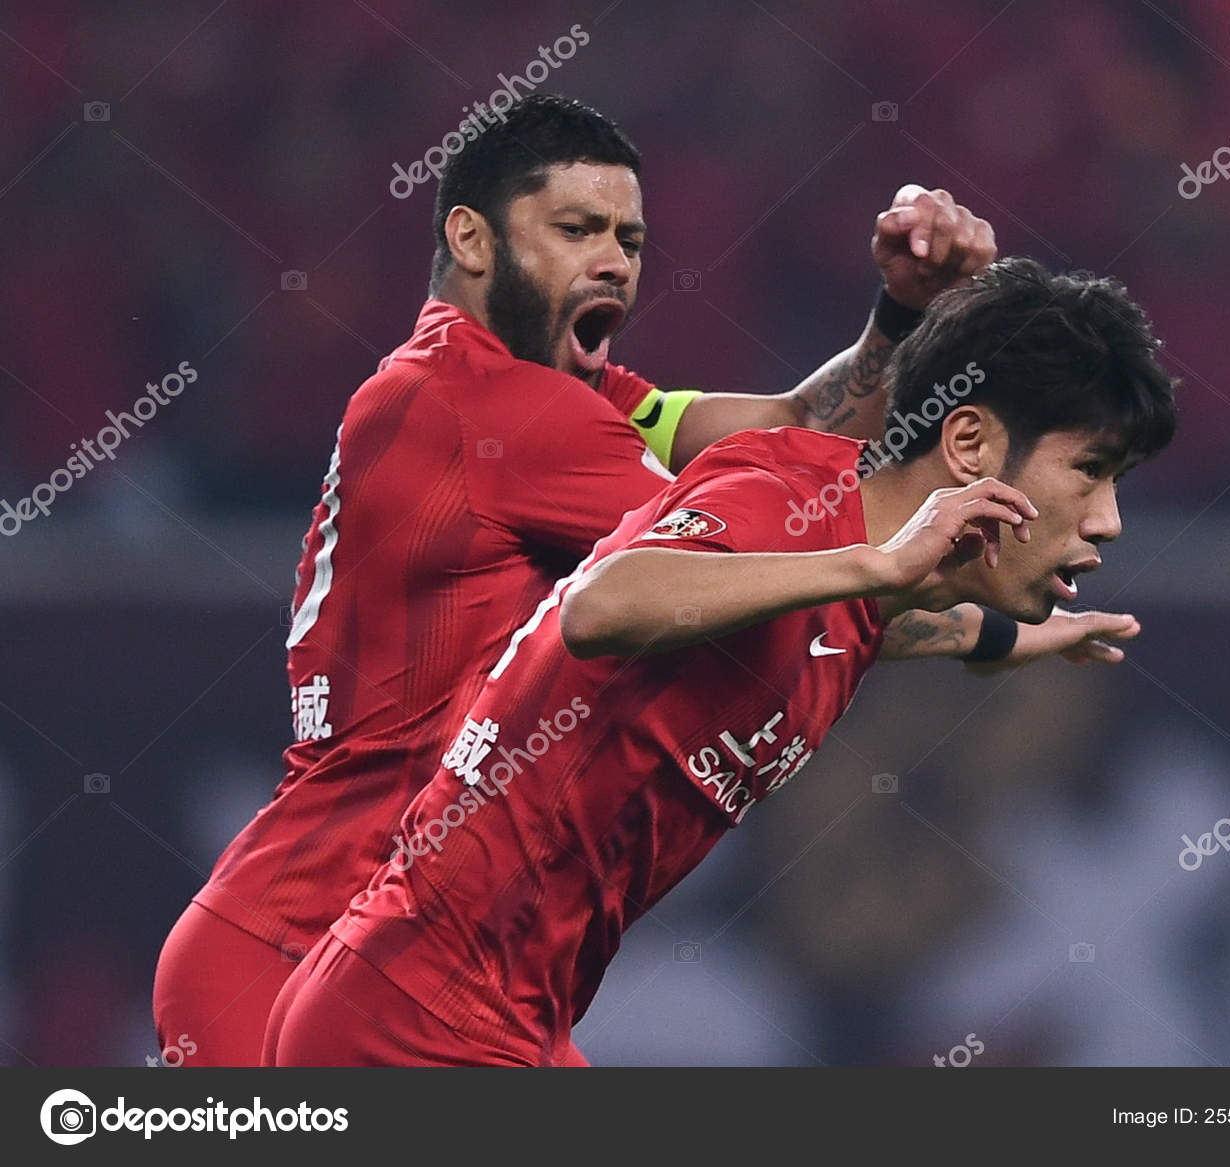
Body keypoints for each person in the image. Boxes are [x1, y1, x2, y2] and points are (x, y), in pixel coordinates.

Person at [152, 93, 1030, 1066]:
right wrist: (943, 590)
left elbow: (792, 429)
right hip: (310, 944)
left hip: (420, 955)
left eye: (629, 238)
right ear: (472, 239)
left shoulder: (557, 395)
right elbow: (743, 551)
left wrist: (899, 317)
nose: (614, 260)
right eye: (577, 230)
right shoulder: (489, 411)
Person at [261, 256, 1179, 1066]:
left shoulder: (844, 583)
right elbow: (600, 604)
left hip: (501, 1018)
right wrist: (878, 565)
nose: (1107, 520)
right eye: (1089, 471)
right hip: (412, 1016)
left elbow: (868, 623)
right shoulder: (784, 499)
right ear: (970, 444)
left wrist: (1011, 637)